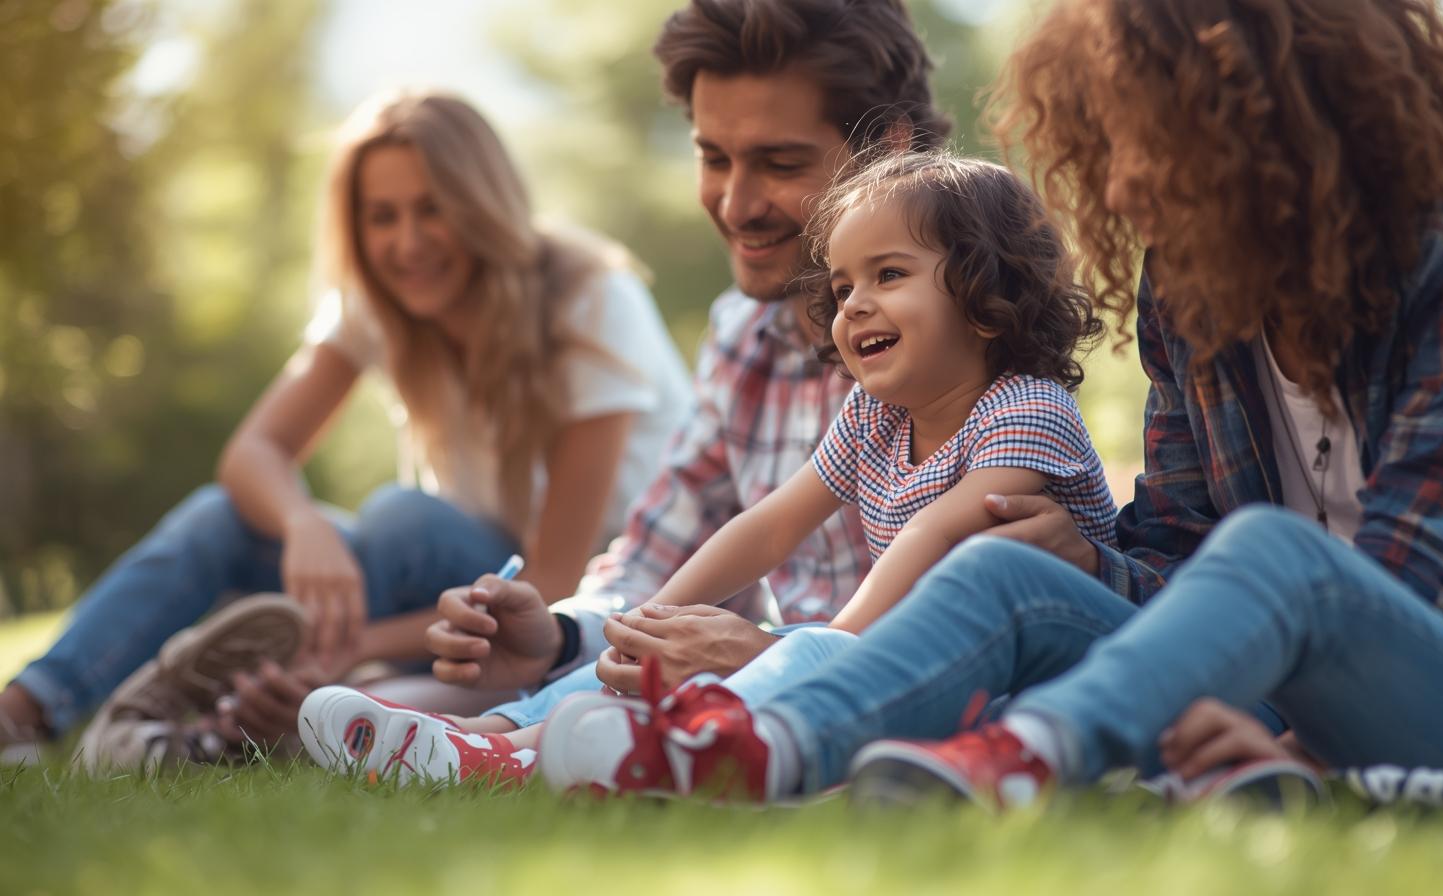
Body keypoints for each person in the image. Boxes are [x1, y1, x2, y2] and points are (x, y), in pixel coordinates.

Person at [531, 0, 1443, 807]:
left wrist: (1307, 751)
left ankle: (1022, 754)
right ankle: (757, 744)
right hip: (1263, 695)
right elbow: (1180, 544)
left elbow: (1400, 578)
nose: (1122, 183)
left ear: (1256, 125)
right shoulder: (1190, 295)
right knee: (1003, 564)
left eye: (1143, 137)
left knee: (1280, 550)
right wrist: (1090, 564)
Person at [297, 152, 1121, 785]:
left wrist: (826, 646)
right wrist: (647, 621)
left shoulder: (1025, 410)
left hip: (1010, 691)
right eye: (840, 286)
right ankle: (492, 739)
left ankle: (543, 756)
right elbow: (767, 525)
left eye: (889, 275)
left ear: (984, 293)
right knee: (680, 649)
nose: (852, 307)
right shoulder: (877, 416)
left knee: (799, 654)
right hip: (888, 659)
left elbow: (943, 535)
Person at [0, 89, 692, 767]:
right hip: (441, 592)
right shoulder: (378, 307)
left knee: (402, 519)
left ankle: (252, 694)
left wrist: (346, 643)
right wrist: (304, 526)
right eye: (381, 217)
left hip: (567, 613)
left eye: (432, 209)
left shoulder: (590, 297)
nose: (406, 242)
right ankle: (25, 712)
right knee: (224, 517)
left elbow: (548, 584)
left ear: (481, 206)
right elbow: (253, 453)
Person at [413, 0, 954, 723]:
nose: (735, 204)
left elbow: (979, 617)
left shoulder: (967, 339)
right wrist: (557, 636)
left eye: (780, 163)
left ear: (885, 150)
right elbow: (655, 561)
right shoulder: (742, 334)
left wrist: (765, 653)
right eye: (713, 157)